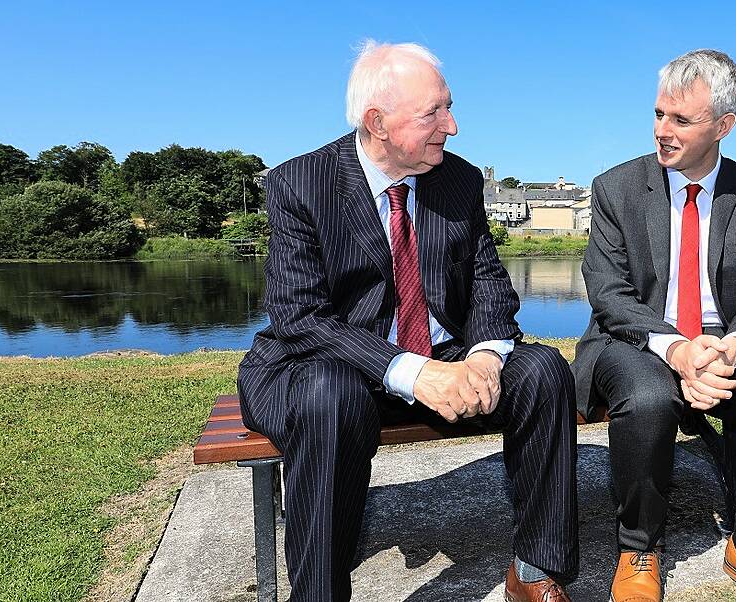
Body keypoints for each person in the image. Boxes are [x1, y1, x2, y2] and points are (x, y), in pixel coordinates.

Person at [237, 41, 577, 602]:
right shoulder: (300, 183)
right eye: (434, 113)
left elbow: (489, 283)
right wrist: (415, 373)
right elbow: (301, 318)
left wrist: (486, 357)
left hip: (441, 357)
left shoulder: (458, 181)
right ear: (378, 123)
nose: (453, 125)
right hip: (327, 364)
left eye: (449, 106)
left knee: (541, 371)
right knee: (330, 395)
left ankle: (537, 571)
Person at [571, 49, 736, 602]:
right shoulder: (615, 188)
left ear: (724, 126)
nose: (662, 131)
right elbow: (609, 295)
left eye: (681, 120)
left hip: (721, 348)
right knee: (647, 397)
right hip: (635, 340)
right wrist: (675, 350)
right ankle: (639, 546)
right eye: (659, 114)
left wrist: (729, 349)